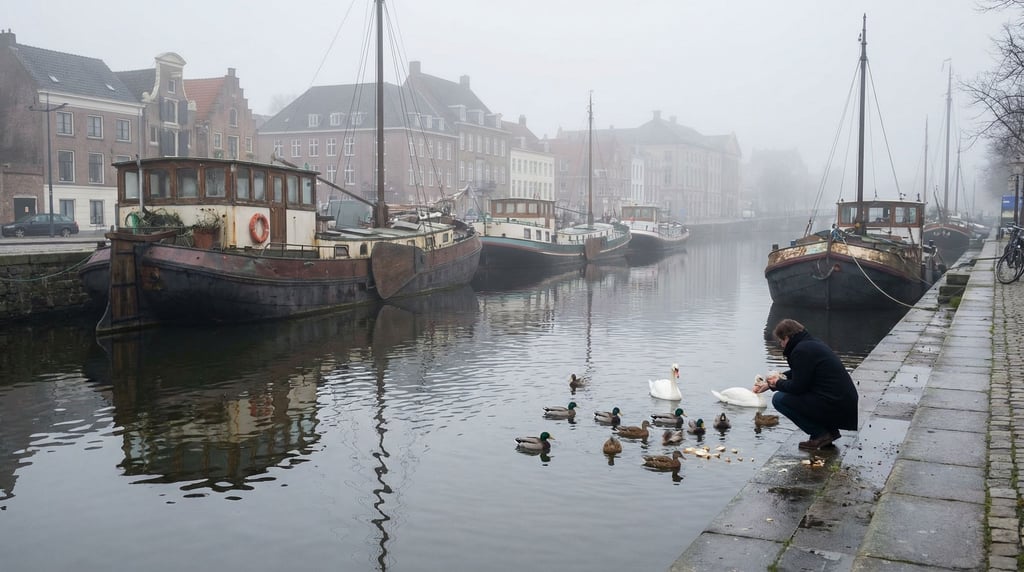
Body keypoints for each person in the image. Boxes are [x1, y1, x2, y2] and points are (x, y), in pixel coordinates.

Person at [752, 318, 858, 451]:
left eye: (781, 341)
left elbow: (798, 387)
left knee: (779, 399)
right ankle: (830, 431)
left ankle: (820, 435)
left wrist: (777, 384)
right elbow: (802, 371)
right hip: (842, 400)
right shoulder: (810, 344)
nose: (782, 345)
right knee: (799, 395)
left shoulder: (801, 351)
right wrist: (770, 383)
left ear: (787, 337)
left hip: (835, 403)